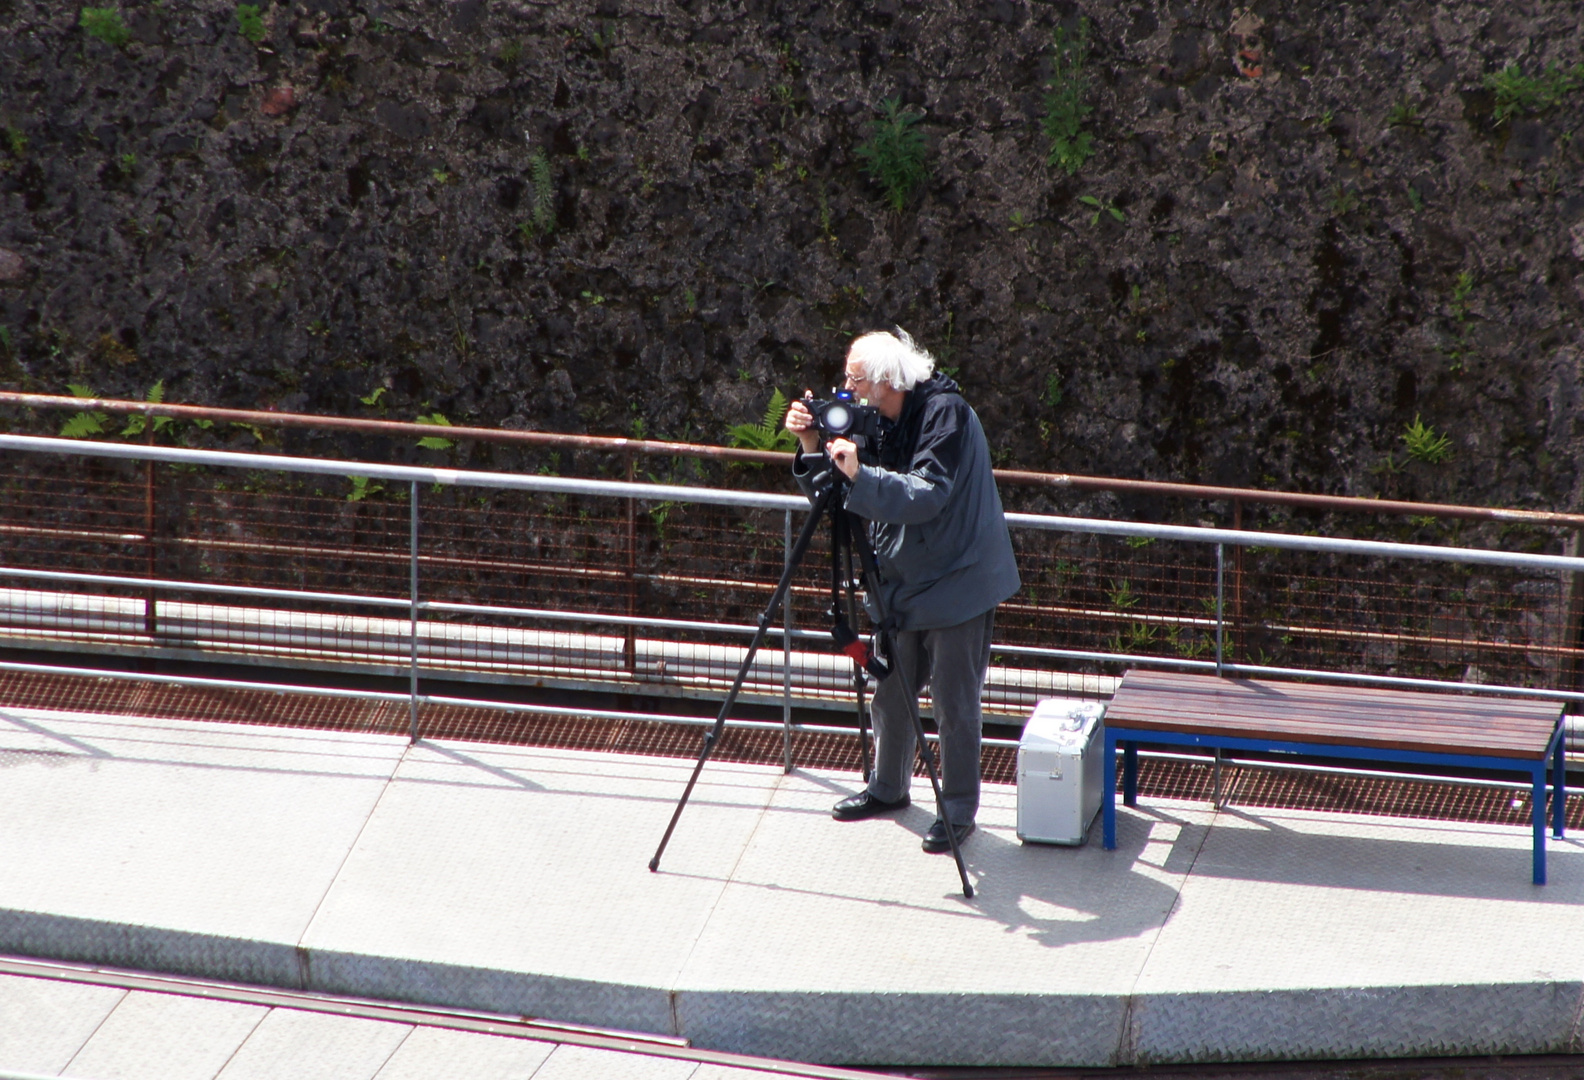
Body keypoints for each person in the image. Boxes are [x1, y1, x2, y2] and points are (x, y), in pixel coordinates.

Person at [784, 327, 1020, 853]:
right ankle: (887, 788)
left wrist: (861, 474)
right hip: (901, 583)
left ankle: (957, 809)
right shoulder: (877, 419)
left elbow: (927, 495)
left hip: (958, 579)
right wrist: (810, 445)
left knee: (954, 701)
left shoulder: (946, 415)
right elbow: (837, 493)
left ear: (888, 380)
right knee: (890, 691)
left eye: (855, 379)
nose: (846, 390)